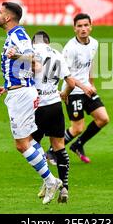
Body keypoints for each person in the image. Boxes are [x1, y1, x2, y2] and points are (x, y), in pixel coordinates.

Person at [0, 2, 62, 204]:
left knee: (22, 145)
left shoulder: (18, 35)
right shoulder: (14, 35)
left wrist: (16, 55)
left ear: (8, 18)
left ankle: (51, 180)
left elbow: (32, 59)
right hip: (19, 91)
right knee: (30, 141)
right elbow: (27, 67)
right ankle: (48, 177)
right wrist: (7, 84)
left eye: (0, 13)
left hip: (22, 96)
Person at [47, 13, 110, 164]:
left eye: (86, 25)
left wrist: (91, 83)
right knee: (77, 128)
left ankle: (78, 145)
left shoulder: (94, 43)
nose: (83, 29)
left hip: (86, 88)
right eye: (79, 26)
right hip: (72, 91)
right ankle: (51, 151)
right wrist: (83, 87)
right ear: (74, 29)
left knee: (103, 118)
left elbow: (91, 64)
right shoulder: (70, 48)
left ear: (91, 27)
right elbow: (66, 75)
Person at [31, 30, 76, 203]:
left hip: (37, 108)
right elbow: (71, 83)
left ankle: (49, 179)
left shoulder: (31, 53)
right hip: (55, 106)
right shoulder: (57, 54)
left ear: (35, 42)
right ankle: (64, 187)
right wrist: (64, 93)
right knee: (59, 147)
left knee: (28, 145)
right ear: (48, 42)